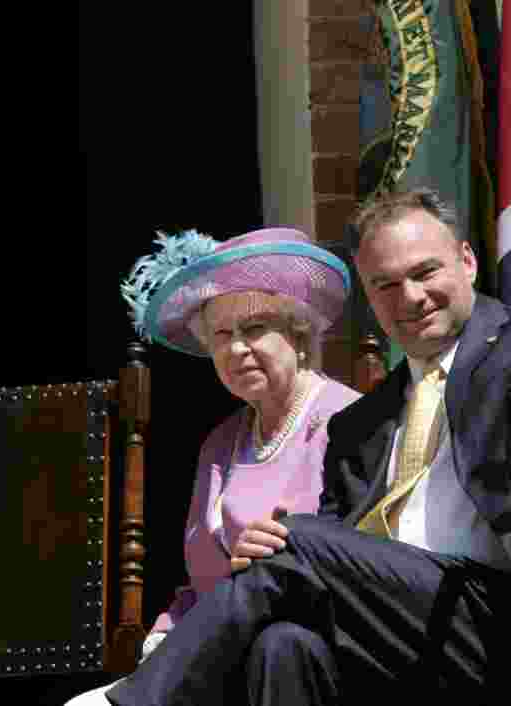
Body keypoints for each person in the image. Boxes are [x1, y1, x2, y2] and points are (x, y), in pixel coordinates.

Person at [104, 27, 511, 706]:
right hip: (407, 635)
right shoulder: (361, 427)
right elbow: (330, 551)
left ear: (468, 262)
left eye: (425, 273)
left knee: (297, 547)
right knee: (286, 644)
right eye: (386, 286)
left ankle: (133, 703)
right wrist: (281, 544)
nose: (411, 297)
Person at [65, 227, 362, 705]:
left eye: (254, 328)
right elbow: (198, 584)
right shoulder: (221, 443)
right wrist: (164, 641)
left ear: (298, 332)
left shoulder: (347, 421)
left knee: (280, 646)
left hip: (318, 652)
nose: (236, 348)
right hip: (220, 661)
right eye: (222, 335)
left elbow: (354, 560)